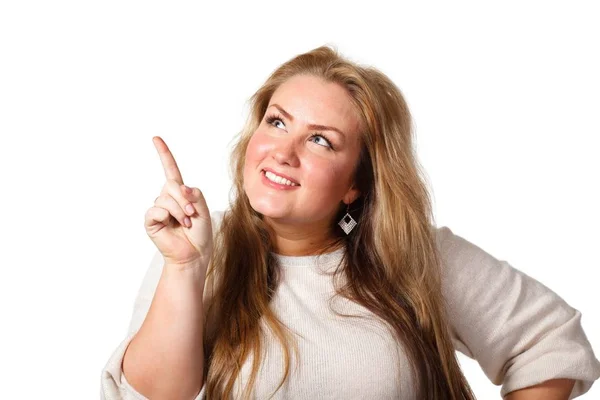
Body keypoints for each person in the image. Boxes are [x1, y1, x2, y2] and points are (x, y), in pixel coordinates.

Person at [100, 45, 600, 399]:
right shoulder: (196, 247)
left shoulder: (407, 253)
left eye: (321, 140)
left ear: (355, 183)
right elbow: (156, 397)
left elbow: (547, 339)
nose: (283, 152)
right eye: (277, 122)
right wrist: (185, 267)